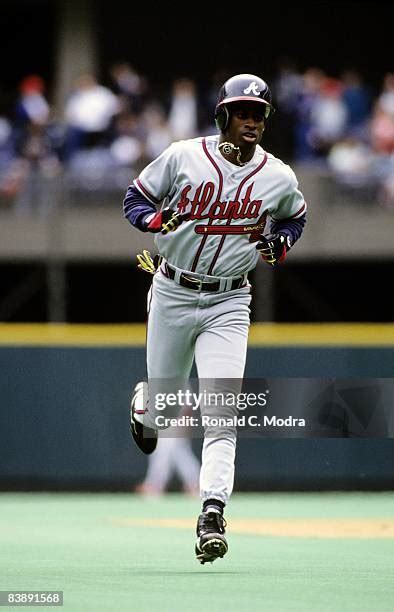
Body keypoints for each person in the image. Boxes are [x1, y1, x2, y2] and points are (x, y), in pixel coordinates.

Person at [123, 73, 307, 564]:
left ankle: (211, 512)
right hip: (173, 290)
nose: (250, 120)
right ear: (223, 115)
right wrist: (155, 221)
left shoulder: (278, 176)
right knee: (164, 407)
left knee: (221, 413)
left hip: (230, 302)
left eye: (258, 113)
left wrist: (281, 242)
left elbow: (295, 216)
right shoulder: (184, 156)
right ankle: (147, 404)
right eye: (241, 111)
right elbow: (134, 199)